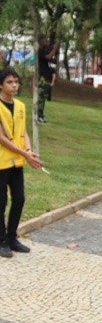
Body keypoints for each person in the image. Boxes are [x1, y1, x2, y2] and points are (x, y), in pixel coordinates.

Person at [0, 68, 41, 257]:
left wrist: (28, 150)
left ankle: (12, 238)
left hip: (17, 162)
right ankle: (2, 241)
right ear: (1, 85)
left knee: (19, 199)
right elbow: (2, 138)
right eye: (9, 82)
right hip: (2, 162)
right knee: (1, 202)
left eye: (16, 82)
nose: (14, 85)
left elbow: (23, 132)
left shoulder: (20, 106)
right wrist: (24, 154)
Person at [37, 36, 59, 123]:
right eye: (45, 42)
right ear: (40, 42)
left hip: (47, 77)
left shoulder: (45, 52)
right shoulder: (40, 51)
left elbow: (54, 61)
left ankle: (41, 116)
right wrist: (54, 49)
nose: (47, 43)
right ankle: (38, 116)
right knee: (41, 97)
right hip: (42, 77)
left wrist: (56, 52)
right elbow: (49, 57)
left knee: (44, 97)